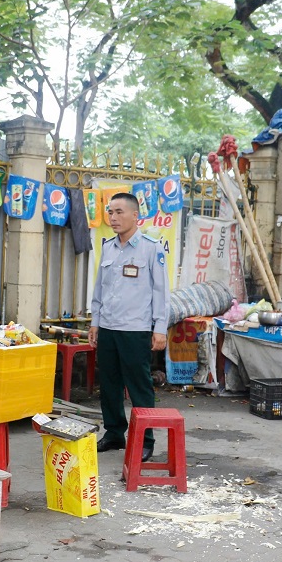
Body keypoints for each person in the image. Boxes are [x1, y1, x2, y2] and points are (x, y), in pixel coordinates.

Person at [90, 192, 169, 462]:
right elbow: (100, 288)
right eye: (110, 212)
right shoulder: (109, 248)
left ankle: (146, 439)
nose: (113, 217)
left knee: (139, 385)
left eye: (119, 212)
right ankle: (114, 433)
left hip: (136, 329)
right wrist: (95, 322)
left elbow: (161, 292)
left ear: (136, 216)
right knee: (109, 383)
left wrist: (160, 328)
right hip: (109, 327)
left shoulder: (151, 248)